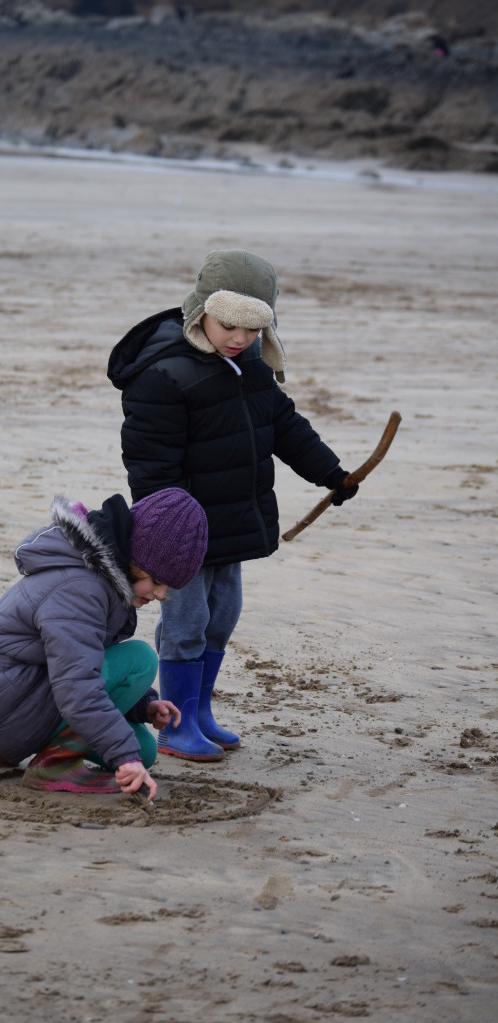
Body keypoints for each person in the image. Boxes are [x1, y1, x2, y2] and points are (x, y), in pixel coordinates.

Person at [107, 248, 358, 761]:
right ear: (201, 311)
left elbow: (283, 426)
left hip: (232, 520)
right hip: (183, 532)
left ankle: (199, 712)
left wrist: (330, 473)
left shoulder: (251, 364)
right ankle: (174, 724)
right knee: (187, 623)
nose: (240, 339)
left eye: (254, 328)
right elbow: (150, 463)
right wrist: (169, 531)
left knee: (222, 617)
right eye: (229, 326)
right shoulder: (166, 372)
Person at [0, 487, 208, 800]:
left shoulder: (100, 578)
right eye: (157, 581)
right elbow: (77, 684)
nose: (160, 595)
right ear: (134, 557)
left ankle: (10, 748)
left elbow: (81, 659)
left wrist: (143, 706)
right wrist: (123, 756)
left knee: (144, 751)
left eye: (168, 588)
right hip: (6, 705)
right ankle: (54, 765)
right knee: (141, 660)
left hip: (12, 701)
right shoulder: (82, 587)